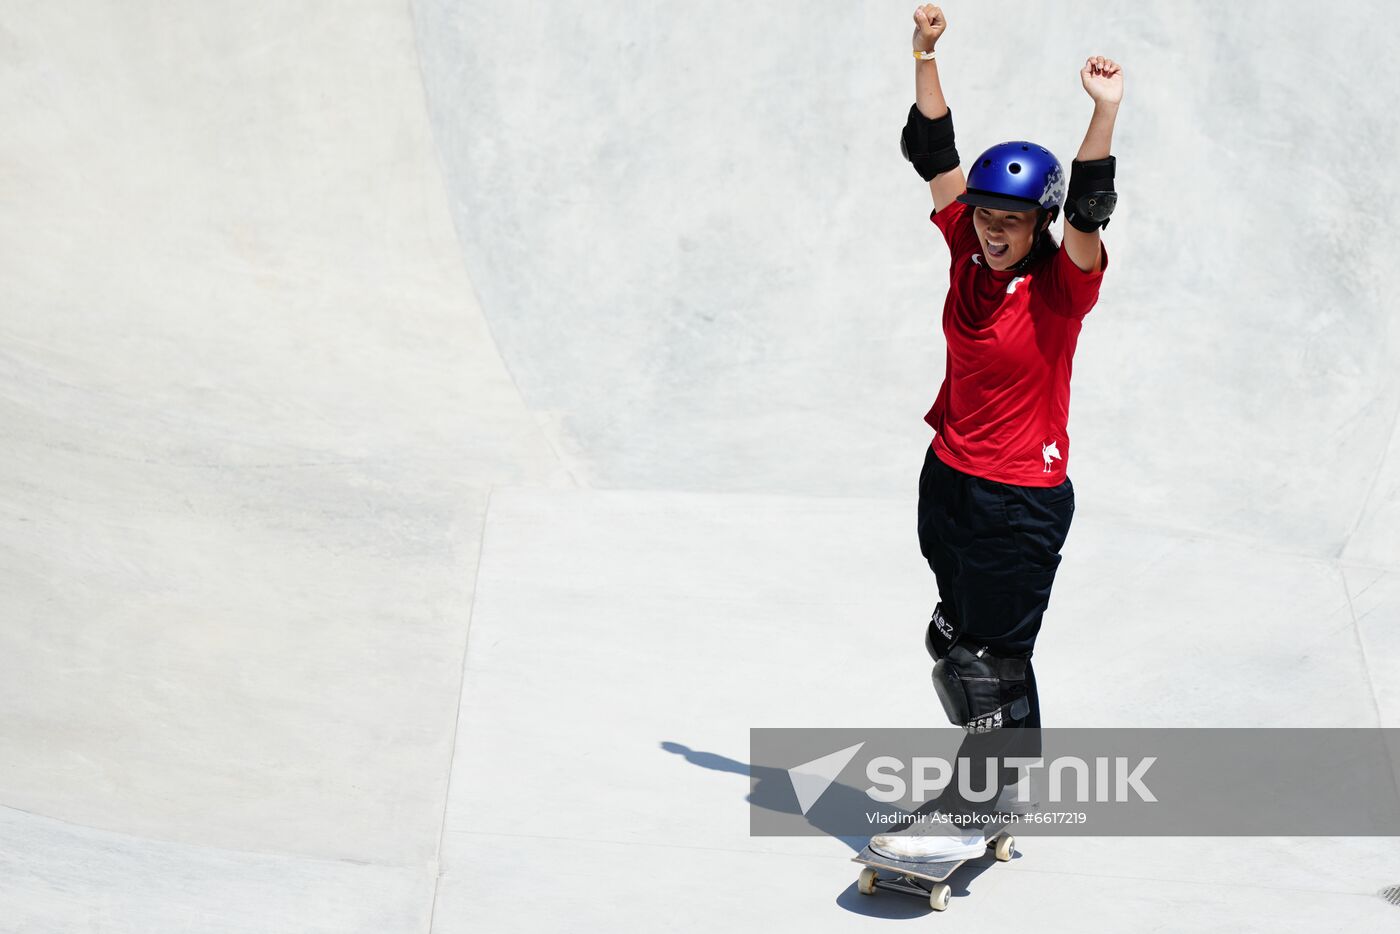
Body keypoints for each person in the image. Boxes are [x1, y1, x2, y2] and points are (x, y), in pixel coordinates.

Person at [868, 4, 1123, 862]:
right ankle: (1002, 783)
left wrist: (1103, 111)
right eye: (986, 215)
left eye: (1011, 220)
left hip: (1019, 500)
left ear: (1037, 222)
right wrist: (924, 54)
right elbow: (935, 154)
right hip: (950, 478)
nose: (992, 229)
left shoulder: (1062, 284)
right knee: (955, 646)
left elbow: (1089, 209)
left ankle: (977, 804)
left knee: (986, 665)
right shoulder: (964, 246)